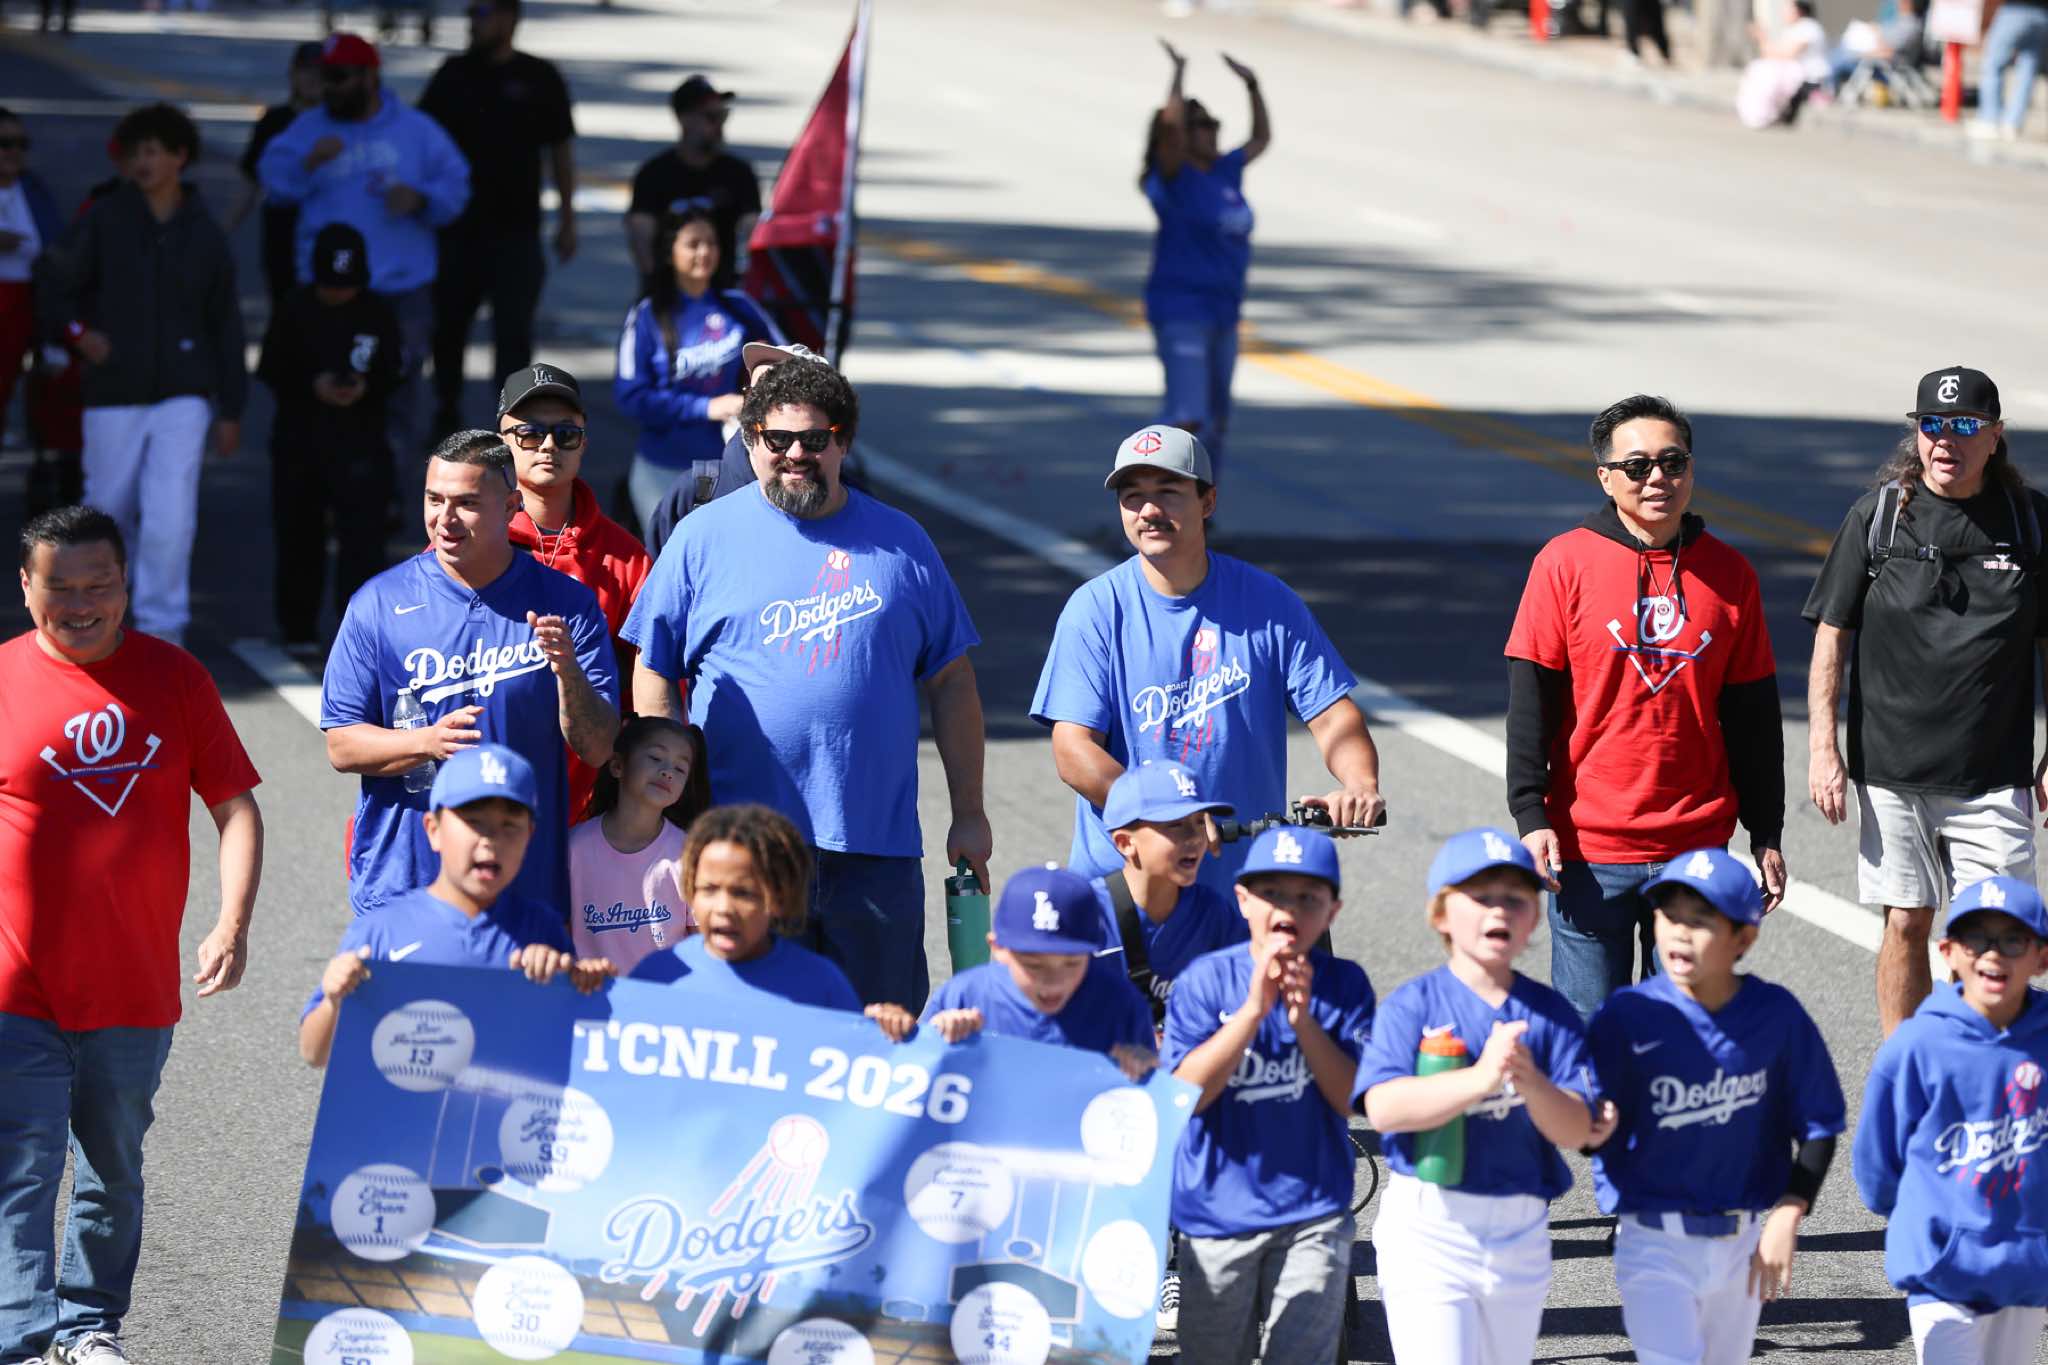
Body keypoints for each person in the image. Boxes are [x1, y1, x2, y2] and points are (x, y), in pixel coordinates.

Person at [622, 360, 989, 1010]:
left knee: (878, 1036)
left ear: (843, 443)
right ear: (751, 439)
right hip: (743, 844)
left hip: (874, 849)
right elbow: (654, 665)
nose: (795, 454)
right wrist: (673, 800)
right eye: (777, 438)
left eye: (815, 439)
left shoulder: (902, 544)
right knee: (755, 1034)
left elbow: (953, 681)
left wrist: (969, 812)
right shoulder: (701, 537)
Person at [0, 506, 263, 1365]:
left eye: (99, 585)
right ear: (27, 587)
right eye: (60, 586)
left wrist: (232, 921)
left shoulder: (175, 678)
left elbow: (235, 808)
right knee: (22, 1165)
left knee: (112, 1170)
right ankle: (21, 1339)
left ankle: (87, 1325)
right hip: (15, 986)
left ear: (125, 584)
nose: (81, 604)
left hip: (134, 987)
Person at [1506, 393, 1785, 1023]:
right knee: (1588, 1036)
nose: (1657, 477)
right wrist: (1530, 814)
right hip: (1589, 847)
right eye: (1636, 466)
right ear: (1605, 478)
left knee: (1682, 1031)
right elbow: (1531, 699)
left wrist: (1766, 831)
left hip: (1695, 845)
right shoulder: (1564, 563)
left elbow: (1754, 716)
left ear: (1691, 470)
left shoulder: (1731, 574)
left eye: (1672, 462)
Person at [1032, 424, 1384, 900]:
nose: (1149, 510)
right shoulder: (1094, 609)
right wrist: (1167, 817)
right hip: (1129, 892)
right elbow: (1074, 751)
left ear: (1208, 502)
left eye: (1168, 492)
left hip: (1242, 890)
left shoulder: (1268, 602)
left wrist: (1359, 784)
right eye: (1133, 496)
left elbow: (1332, 716)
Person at [1804, 366, 2047, 1039]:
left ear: (1995, 436)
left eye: (1965, 426)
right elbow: (1832, 633)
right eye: (1932, 425)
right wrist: (1823, 747)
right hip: (1892, 770)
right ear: (1917, 433)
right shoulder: (1880, 516)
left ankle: (1987, 1064)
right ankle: (1903, 1065)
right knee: (1907, 922)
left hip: (1992, 775)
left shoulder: (2030, 521)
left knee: (1996, 931)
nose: (1946, 440)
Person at [320, 429, 619, 917]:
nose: (445, 518)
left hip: (524, 890)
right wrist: (426, 742)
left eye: (467, 503)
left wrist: (569, 675)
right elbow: (342, 745)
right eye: (434, 499)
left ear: (511, 507)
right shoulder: (378, 603)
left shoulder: (566, 604)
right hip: (405, 886)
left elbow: (599, 747)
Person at [1355, 829, 1608, 1365]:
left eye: (1516, 898)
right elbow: (1384, 1108)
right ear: (1441, 913)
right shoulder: (1413, 1004)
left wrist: (1530, 1082)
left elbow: (1579, 1129)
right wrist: (1481, 1078)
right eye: (1480, 896)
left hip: (1520, 1229)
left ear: (1534, 917)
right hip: (1431, 1227)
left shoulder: (1549, 1013)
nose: (1500, 910)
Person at [1585, 847, 1846, 1365]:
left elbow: (1819, 1124)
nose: (1681, 933)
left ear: (1743, 938)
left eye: (1701, 920)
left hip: (1741, 1243)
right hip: (1651, 1240)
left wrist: (1789, 1211)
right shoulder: (1628, 1014)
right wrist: (1588, 1126)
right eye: (1670, 916)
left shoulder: (1775, 1014)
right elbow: (1587, 1126)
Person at [35, 103, 246, 649]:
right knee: (106, 513)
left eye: (154, 151)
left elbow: (226, 324)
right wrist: (79, 334)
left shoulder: (204, 233)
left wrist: (231, 409)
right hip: (113, 392)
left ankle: (163, 632)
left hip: (185, 394)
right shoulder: (104, 217)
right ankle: (100, 621)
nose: (143, 162)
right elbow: (52, 281)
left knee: (170, 516)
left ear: (180, 156)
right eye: (135, 153)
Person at [1161, 826, 1373, 1365]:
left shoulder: (1344, 984)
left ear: (1332, 911)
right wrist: (1253, 1012)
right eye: (1272, 893)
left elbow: (1352, 1098)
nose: (1288, 909)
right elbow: (1183, 1096)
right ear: (1243, 901)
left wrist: (1304, 1024)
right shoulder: (1205, 980)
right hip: (1217, 1214)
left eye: (1308, 897)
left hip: (1313, 1211)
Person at [300, 743, 608, 1068]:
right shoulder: (381, 930)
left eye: (509, 826)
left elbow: (568, 1039)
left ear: (530, 836)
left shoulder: (541, 929)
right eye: (474, 822)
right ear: (434, 830)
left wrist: (579, 984)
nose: (490, 840)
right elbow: (314, 1052)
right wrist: (334, 1000)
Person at [257, 32, 471, 489]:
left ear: (370, 77)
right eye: (325, 77)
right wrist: (308, 163)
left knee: (396, 394)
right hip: (328, 296)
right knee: (321, 391)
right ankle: (321, 492)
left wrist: (422, 198)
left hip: (399, 290)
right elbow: (273, 182)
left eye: (339, 77)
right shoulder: (308, 129)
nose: (330, 87)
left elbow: (457, 187)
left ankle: (386, 493)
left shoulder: (416, 130)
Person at [1854, 876, 2048, 1365]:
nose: (1993, 953)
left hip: (2028, 1268)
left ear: (2041, 958)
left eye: (2013, 940)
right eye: (1976, 939)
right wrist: (1924, 1224)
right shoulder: (1918, 1045)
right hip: (1942, 1269)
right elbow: (1878, 1168)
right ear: (1948, 952)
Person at [496, 363, 650, 816]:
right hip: (483, 804)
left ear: (583, 444)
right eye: (529, 433)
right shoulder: (466, 541)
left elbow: (651, 686)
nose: (548, 445)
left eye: (565, 434)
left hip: (586, 813)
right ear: (502, 443)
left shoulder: (626, 557)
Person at [419, 0, 576, 435]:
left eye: (483, 13)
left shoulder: (539, 77)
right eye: (471, 13)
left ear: (510, 18)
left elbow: (560, 150)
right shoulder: (452, 75)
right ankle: (445, 412)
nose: (473, 22)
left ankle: (509, 424)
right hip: (456, 232)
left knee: (513, 335)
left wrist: (567, 219)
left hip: (517, 232)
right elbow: (421, 143)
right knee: (448, 328)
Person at [632, 804, 916, 1043]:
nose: (724, 908)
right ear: (690, 892)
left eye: (743, 893)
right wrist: (602, 993)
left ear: (780, 899)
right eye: (709, 889)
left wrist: (887, 1032)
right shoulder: (657, 975)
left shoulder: (822, 984)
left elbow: (854, 1063)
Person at [256, 221, 400, 656]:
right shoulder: (295, 307)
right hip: (300, 440)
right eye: (331, 285)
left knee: (363, 541)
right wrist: (311, 384)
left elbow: (396, 369)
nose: (339, 294)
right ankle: (298, 627)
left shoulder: (376, 312)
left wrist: (365, 387)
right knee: (299, 536)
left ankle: (360, 631)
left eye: (347, 286)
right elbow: (270, 367)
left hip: (361, 441)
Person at [1141, 42, 1267, 480]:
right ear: (1183, 137)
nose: (1214, 132)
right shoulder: (1173, 179)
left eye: (1215, 124)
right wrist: (1180, 72)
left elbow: (1261, 139)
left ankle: (1201, 512)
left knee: (1215, 424)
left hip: (1224, 313)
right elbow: (1170, 130)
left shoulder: (1225, 172)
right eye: (1203, 126)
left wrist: (1253, 85)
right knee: (1187, 418)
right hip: (1182, 312)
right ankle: (1143, 491)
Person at [612, 207, 782, 532]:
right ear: (669, 252)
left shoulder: (739, 306)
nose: (704, 252)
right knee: (671, 555)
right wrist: (706, 407)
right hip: (662, 469)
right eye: (693, 244)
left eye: (711, 243)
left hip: (731, 468)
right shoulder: (648, 315)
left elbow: (788, 361)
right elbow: (630, 397)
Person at [921, 864, 1156, 1078]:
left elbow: (1150, 1091)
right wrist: (936, 1039)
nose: (1054, 981)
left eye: (1071, 963)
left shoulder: (1121, 1005)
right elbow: (914, 1073)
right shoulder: (967, 995)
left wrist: (1142, 1070)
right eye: (1034, 965)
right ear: (998, 948)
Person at [1093, 759, 1246, 1025]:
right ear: (1126, 843)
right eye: (1175, 824)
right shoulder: (1087, 913)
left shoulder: (1212, 913)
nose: (1194, 837)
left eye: (1200, 822)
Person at [639, 339, 826, 557]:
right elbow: (655, 576)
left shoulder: (847, 500)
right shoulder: (696, 492)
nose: (758, 407)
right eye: (754, 394)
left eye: (781, 397)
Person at [569, 714, 707, 974]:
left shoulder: (691, 854)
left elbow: (703, 948)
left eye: (680, 769)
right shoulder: (573, 848)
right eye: (655, 758)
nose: (667, 772)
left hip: (667, 997)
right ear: (617, 766)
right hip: (592, 996)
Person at [625, 75, 760, 291]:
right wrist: (658, 288)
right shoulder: (654, 174)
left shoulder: (738, 173)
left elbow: (754, 231)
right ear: (684, 119)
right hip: (668, 291)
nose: (718, 126)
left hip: (722, 291)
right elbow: (641, 235)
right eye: (710, 117)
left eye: (723, 116)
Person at [228, 42, 325, 309]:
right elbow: (250, 181)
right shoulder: (275, 120)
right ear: (292, 74)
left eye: (321, 72)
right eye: (306, 70)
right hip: (282, 233)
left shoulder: (342, 123)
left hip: (328, 234)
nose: (313, 78)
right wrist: (223, 230)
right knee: (285, 308)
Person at [0, 106, 61, 436]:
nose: (14, 152)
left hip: (26, 302)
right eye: (5, 143)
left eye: (21, 144)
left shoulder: (34, 190)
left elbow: (58, 245)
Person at [1972, 0, 2048, 140]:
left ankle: (1990, 119)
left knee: (1993, 64)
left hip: (2015, 9)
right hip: (2043, 13)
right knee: (2028, 69)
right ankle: (2013, 123)